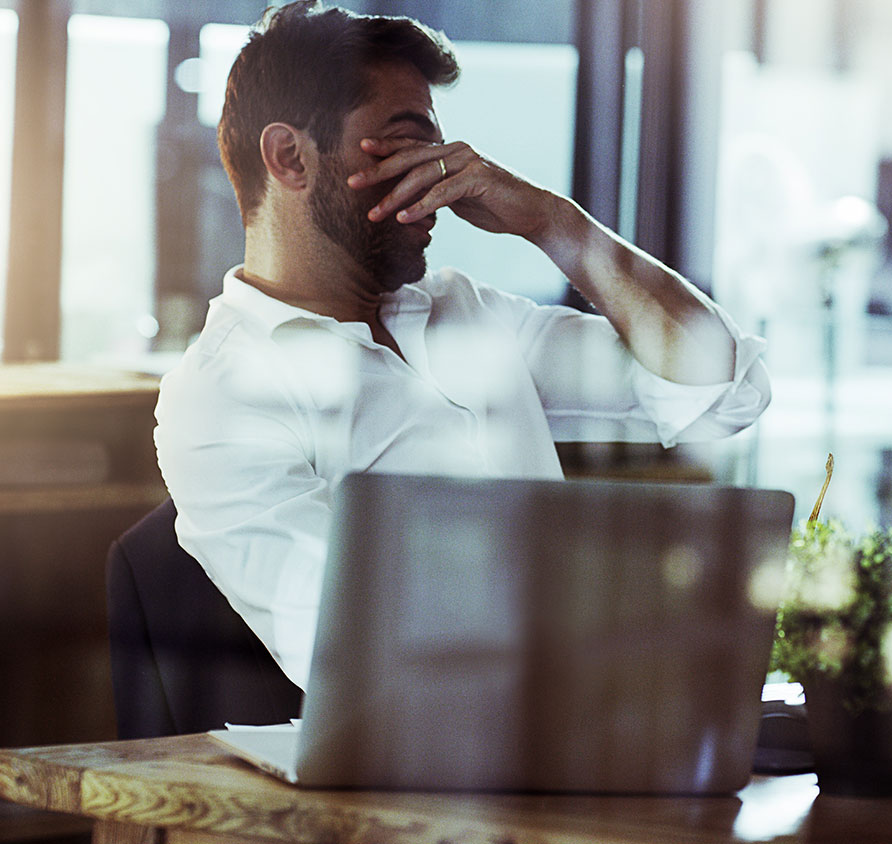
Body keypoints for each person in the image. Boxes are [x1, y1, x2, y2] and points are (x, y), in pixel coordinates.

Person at [154, 1, 771, 690]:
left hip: (589, 720)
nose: (445, 173)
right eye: (406, 141)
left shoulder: (469, 314)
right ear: (290, 157)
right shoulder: (219, 395)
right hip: (422, 775)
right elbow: (352, 648)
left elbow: (722, 388)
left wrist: (553, 222)